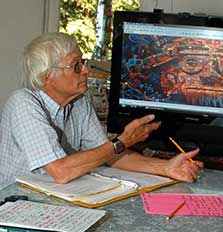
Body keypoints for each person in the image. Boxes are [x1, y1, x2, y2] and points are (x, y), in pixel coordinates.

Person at [0, 32, 203, 188]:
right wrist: (122, 141)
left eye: (84, 62)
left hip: (51, 201)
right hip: (13, 206)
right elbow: (61, 171)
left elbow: (110, 154)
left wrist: (166, 167)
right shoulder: (23, 103)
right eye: (76, 66)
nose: (87, 70)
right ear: (47, 76)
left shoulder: (79, 101)